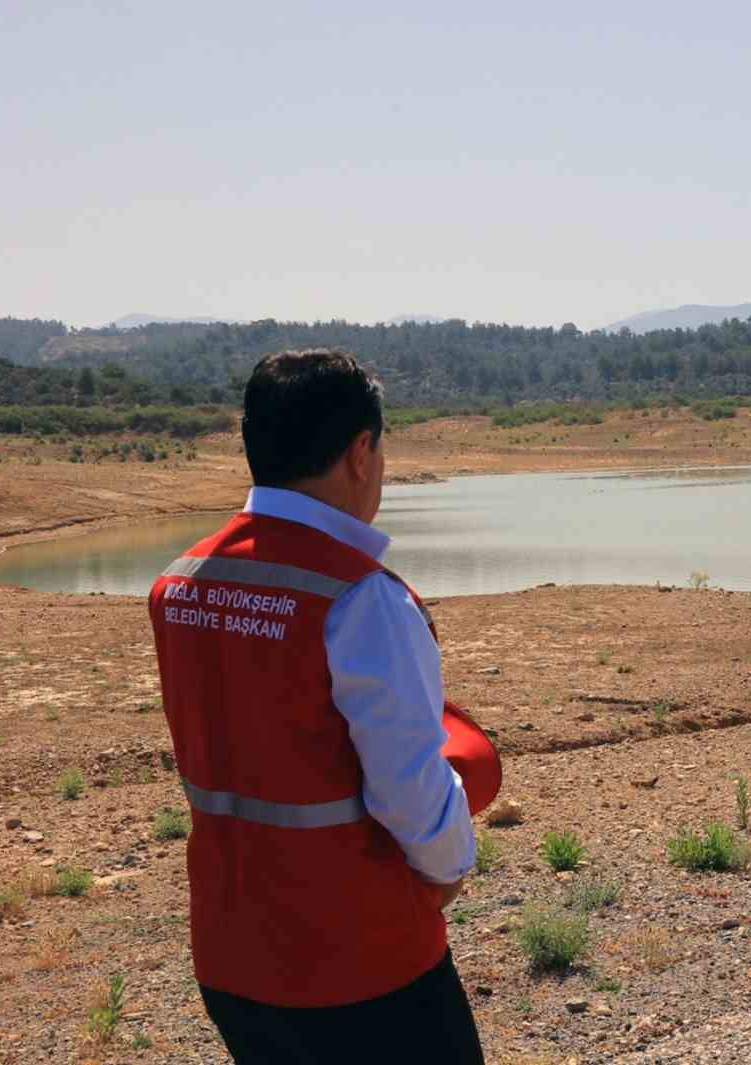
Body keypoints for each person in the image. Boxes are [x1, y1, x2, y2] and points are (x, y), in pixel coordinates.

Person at [147, 349, 493, 1064]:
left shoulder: (179, 584)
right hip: (364, 967)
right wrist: (452, 862)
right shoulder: (362, 598)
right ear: (361, 452)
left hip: (233, 960)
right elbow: (409, 788)